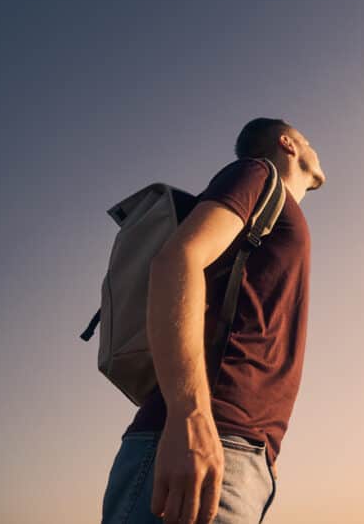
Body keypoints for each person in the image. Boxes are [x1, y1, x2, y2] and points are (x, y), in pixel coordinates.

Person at [101, 118, 325, 524]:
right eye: (308, 139)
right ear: (287, 143)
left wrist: (263, 453)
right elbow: (176, 260)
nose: (315, 147)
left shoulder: (283, 212)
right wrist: (191, 415)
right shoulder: (256, 173)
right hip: (207, 440)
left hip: (240, 452)